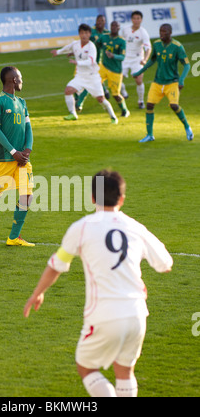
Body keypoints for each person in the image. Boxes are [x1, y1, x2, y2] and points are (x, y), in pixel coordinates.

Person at [24, 169, 173, 398]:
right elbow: (165, 264)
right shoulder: (135, 227)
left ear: (92, 198)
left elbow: (57, 264)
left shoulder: (82, 227)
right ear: (122, 199)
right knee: (125, 371)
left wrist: (38, 293)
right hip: (136, 313)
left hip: (104, 314)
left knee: (86, 367)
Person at [0, 66, 35, 248]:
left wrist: (27, 149)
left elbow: (28, 128)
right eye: (20, 78)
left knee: (27, 196)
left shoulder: (22, 102)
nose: (22, 82)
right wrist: (14, 152)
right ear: (13, 80)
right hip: (3, 159)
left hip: (22, 160)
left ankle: (14, 237)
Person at [133, 24, 193, 142]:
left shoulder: (177, 46)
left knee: (174, 105)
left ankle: (187, 127)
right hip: (157, 82)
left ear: (170, 33)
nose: (161, 34)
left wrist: (181, 79)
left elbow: (187, 64)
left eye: (164, 32)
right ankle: (150, 135)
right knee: (149, 105)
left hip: (172, 82)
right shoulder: (156, 44)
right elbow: (152, 60)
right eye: (160, 31)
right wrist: (139, 72)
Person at [51, 24, 118, 124]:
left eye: (86, 33)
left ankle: (113, 117)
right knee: (68, 90)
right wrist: (58, 52)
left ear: (90, 34)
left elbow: (90, 61)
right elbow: (68, 48)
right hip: (80, 76)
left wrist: (77, 62)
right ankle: (73, 114)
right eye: (82, 33)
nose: (84, 35)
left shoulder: (92, 47)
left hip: (92, 77)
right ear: (79, 34)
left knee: (101, 99)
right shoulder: (75, 44)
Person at [75, 15, 110, 112]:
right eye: (98, 20)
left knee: (89, 82)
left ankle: (78, 101)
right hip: (84, 61)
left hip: (97, 62)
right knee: (86, 82)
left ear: (105, 22)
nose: (100, 22)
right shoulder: (91, 31)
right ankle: (78, 100)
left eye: (102, 21)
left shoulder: (107, 33)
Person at [96, 21, 130, 118]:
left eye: (116, 26)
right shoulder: (104, 37)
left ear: (119, 28)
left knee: (115, 95)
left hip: (115, 70)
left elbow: (122, 57)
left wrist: (113, 56)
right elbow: (97, 44)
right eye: (113, 26)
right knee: (95, 81)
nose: (114, 27)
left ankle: (125, 110)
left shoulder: (121, 41)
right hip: (104, 66)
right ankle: (104, 92)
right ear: (110, 27)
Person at [121, 11, 152, 109]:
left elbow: (148, 48)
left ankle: (141, 101)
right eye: (134, 18)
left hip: (137, 59)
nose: (136, 20)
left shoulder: (143, 32)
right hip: (125, 58)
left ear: (141, 20)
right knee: (117, 79)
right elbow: (120, 41)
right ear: (131, 19)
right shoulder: (125, 30)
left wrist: (145, 59)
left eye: (138, 18)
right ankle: (124, 93)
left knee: (138, 80)